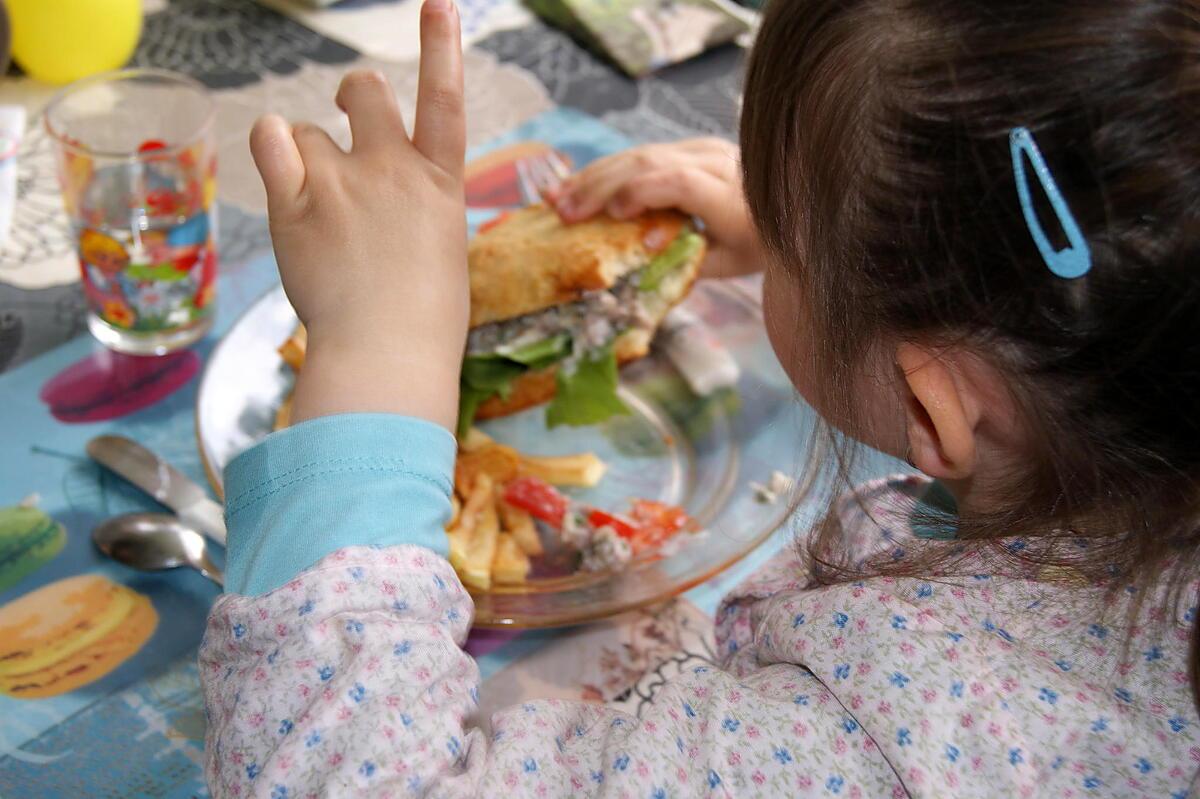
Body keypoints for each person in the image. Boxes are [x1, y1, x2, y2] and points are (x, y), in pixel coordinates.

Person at [202, 0, 1200, 795]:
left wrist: (379, 351)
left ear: (936, 414)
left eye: (786, 243)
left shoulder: (881, 745)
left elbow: (333, 774)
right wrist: (834, 240)